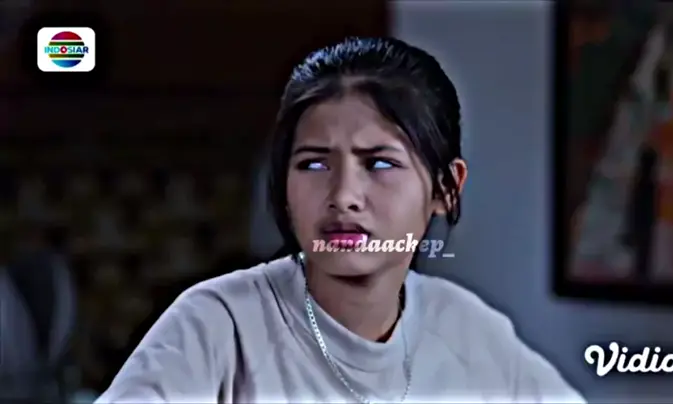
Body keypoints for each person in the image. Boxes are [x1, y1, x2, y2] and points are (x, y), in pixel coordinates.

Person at [96, 37, 585, 403]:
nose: (343, 196)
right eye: (313, 164)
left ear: (445, 188)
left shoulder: (467, 330)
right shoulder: (218, 324)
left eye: (379, 163)